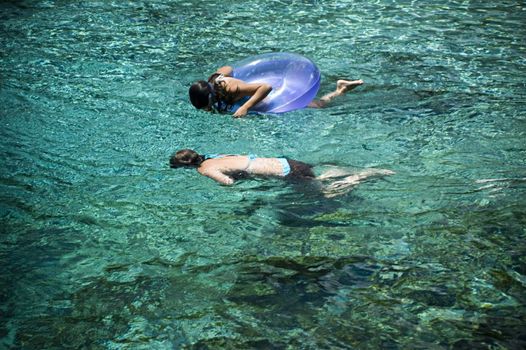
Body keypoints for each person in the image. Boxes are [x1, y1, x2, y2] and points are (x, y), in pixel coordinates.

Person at [169, 149, 394, 198]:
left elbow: (227, 183)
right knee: (316, 177)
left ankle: (363, 176)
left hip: (286, 174)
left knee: (325, 194)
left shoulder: (204, 169)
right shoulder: (217, 156)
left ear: (187, 166)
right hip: (286, 162)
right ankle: (353, 171)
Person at [189, 65, 364, 118]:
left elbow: (265, 87)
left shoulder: (230, 87)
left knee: (317, 106)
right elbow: (228, 68)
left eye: (207, 106)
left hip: (267, 98)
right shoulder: (213, 81)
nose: (207, 109)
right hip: (244, 96)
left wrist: (246, 107)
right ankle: (339, 90)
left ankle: (340, 89)